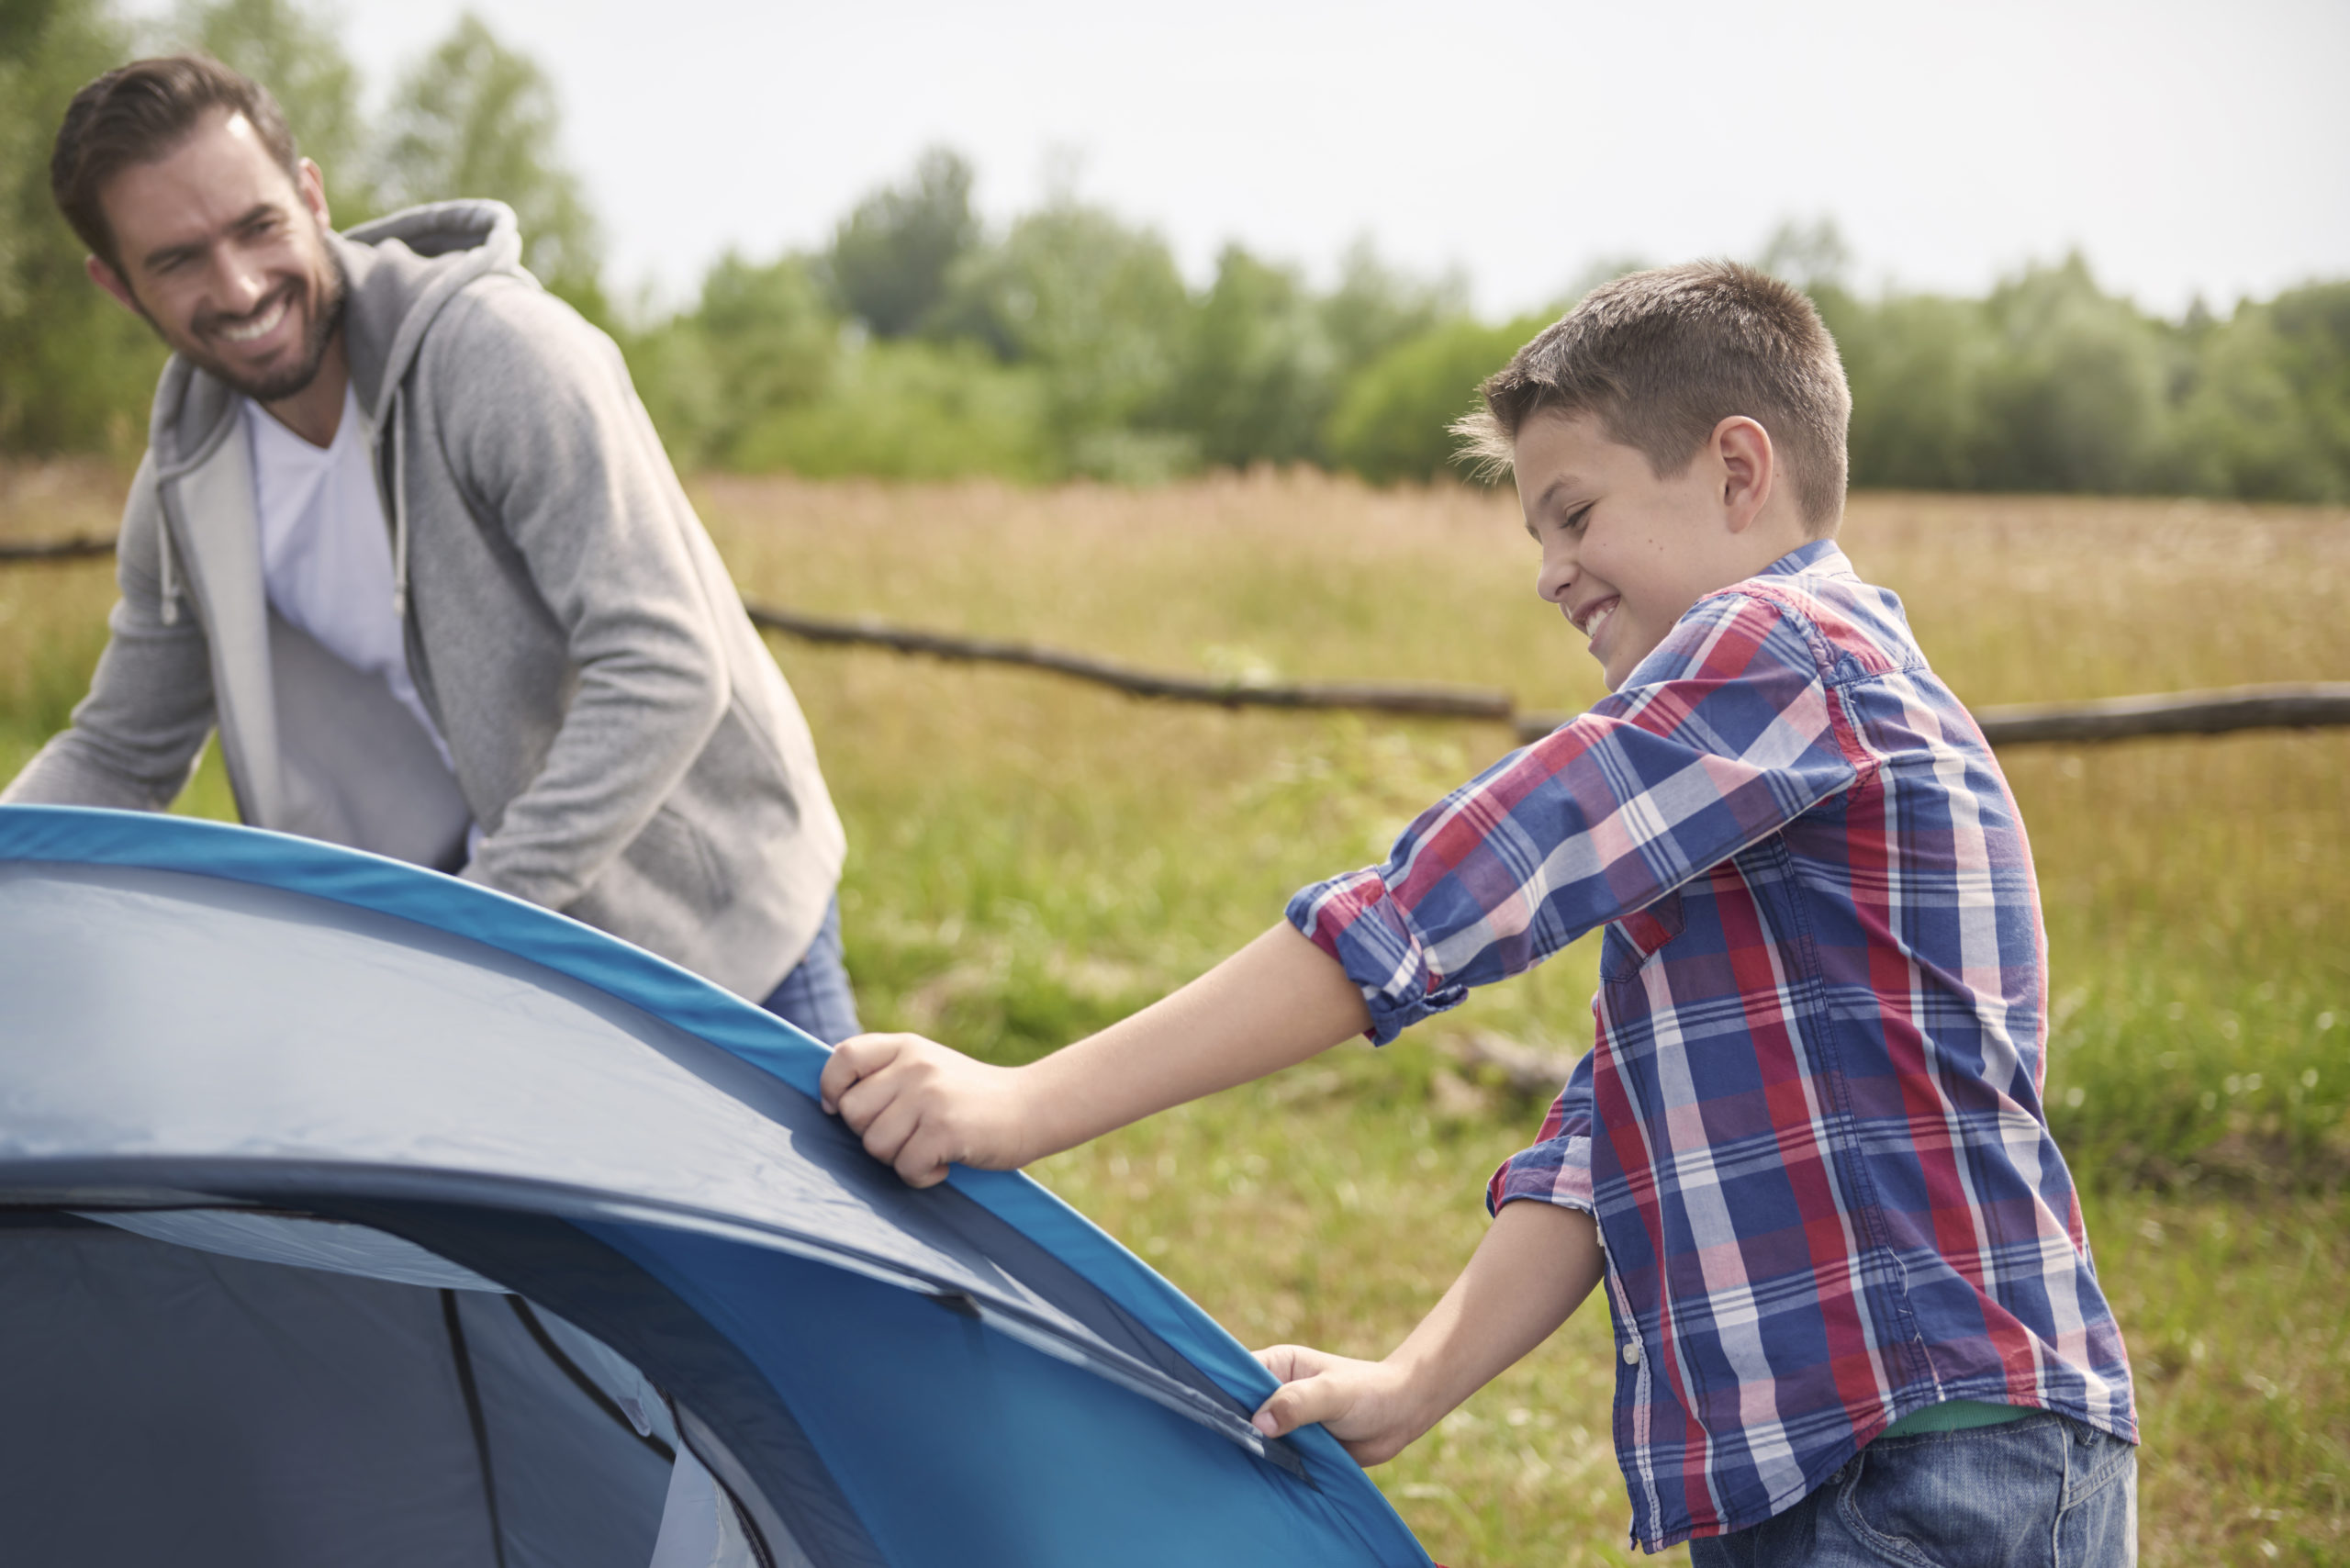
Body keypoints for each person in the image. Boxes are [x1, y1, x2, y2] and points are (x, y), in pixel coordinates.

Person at [818, 263, 2139, 1562]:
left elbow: (1445, 901)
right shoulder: (1755, 757)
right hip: (1848, 1472)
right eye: (1538, 535)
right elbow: (1614, 1129)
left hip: (1940, 1459)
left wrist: (1020, 1103)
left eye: (1575, 512)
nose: (1552, 571)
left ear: (1740, 473)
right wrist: (1413, 1381)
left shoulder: (1786, 649)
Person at [6, 55, 857, 1042]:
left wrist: (470, 921)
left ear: (312, 195)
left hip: (710, 939)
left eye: (257, 227)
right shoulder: (187, 483)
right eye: (178, 259)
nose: (238, 286)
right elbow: (119, 751)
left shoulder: (501, 355)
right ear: (117, 285)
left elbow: (663, 666)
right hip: (478, 985)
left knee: (838, 1197)